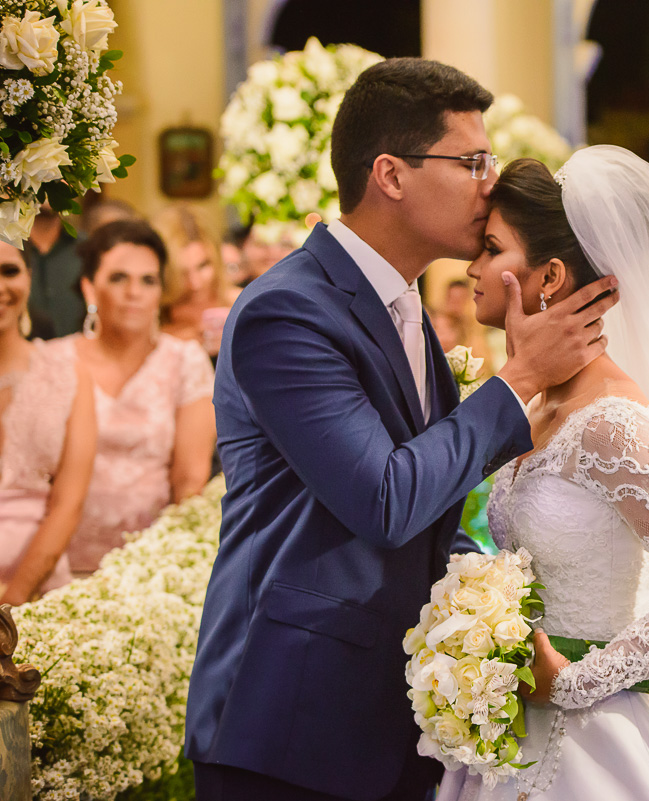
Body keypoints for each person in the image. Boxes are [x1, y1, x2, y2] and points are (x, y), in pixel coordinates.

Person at [185, 58, 618, 801]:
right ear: (390, 173)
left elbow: (427, 516)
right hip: (288, 724)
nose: (489, 182)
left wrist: (503, 615)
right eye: (470, 161)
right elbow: (384, 497)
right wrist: (520, 379)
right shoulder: (287, 311)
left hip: (385, 720)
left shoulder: (406, 306)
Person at [440, 150, 649, 801]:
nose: (472, 268)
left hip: (595, 740)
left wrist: (572, 681)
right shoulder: (537, 402)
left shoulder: (611, 419)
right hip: (513, 724)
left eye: (490, 248)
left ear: (550, 276)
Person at [47, 221, 216, 575]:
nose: (134, 292)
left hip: (148, 566)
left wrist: (163, 572)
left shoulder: (184, 362)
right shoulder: (51, 362)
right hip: (55, 559)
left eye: (148, 280)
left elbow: (190, 482)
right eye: (119, 278)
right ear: (90, 289)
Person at [0, 240, 95, 604]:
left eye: (9, 271)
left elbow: (68, 503)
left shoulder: (65, 374)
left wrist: (12, 607)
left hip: (37, 593)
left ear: (29, 276)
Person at [155, 205, 240, 356]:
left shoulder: (241, 303)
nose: (195, 283)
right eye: (182, 273)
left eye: (203, 266)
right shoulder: (155, 315)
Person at [26, 202, 86, 337]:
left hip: (75, 355)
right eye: (40, 179)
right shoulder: (6, 248)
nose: (50, 182)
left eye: (60, 179)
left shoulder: (87, 250)